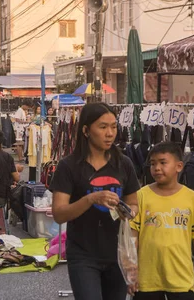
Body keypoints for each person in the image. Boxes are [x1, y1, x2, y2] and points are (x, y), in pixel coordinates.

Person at [50, 102, 140, 300]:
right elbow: (59, 214)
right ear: (86, 130)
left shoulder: (123, 163)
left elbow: (134, 204)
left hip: (117, 253)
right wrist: (91, 199)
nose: (110, 133)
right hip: (83, 254)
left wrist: (128, 211)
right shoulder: (68, 166)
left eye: (114, 126)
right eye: (103, 127)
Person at [129, 142, 194, 300]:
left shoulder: (192, 198)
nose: (157, 168)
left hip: (181, 279)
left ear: (179, 166)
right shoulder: (141, 196)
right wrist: (132, 272)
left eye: (163, 162)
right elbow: (133, 236)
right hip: (147, 280)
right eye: (153, 164)